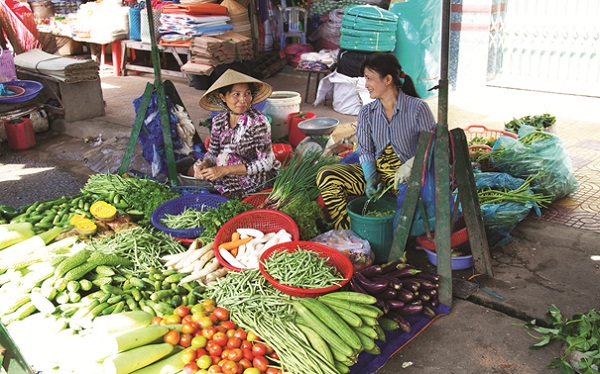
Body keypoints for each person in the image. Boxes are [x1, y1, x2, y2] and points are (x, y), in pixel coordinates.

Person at [316, 53, 437, 229]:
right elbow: (365, 150)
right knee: (326, 175)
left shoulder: (418, 109)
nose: (366, 85)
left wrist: (412, 165)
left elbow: (433, 145)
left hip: (408, 178)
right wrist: (371, 178)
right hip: (380, 176)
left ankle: (401, 239)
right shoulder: (367, 112)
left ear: (387, 79)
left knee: (418, 196)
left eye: (369, 79)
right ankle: (348, 231)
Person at [191, 69, 280, 199]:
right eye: (236, 94)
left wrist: (225, 170)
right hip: (225, 173)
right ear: (223, 97)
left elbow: (266, 162)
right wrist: (205, 163)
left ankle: (233, 194)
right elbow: (212, 153)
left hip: (254, 177)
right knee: (197, 167)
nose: (243, 100)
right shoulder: (218, 121)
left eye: (247, 93)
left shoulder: (258, 122)